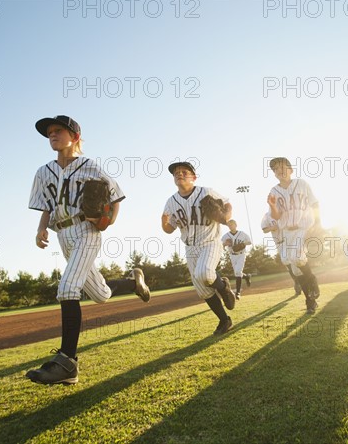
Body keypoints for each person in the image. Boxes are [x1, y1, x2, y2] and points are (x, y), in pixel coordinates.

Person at [25, 115, 150, 385]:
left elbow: (115, 196)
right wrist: (41, 228)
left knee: (68, 288)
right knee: (101, 294)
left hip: (87, 231)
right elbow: (46, 204)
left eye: (58, 131)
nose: (52, 135)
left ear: (75, 137)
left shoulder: (90, 166)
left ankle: (67, 362)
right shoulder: (42, 172)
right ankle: (133, 281)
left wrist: (109, 220)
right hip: (63, 234)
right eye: (49, 133)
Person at [161, 161, 237, 335]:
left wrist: (226, 216)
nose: (179, 174)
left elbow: (228, 204)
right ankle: (224, 321)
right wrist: (164, 222)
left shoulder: (206, 192)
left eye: (184, 172)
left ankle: (223, 287)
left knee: (204, 273)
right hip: (190, 248)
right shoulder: (171, 202)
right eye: (176, 173)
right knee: (202, 290)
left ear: (193, 177)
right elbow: (168, 229)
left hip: (210, 242)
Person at [266, 157, 321, 314]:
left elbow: (314, 203)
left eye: (282, 167)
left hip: (304, 226)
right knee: (296, 270)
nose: (279, 171)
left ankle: (312, 279)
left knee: (297, 258)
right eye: (275, 169)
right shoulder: (273, 191)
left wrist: (318, 223)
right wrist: (271, 206)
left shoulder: (302, 183)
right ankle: (310, 301)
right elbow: (276, 217)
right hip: (288, 231)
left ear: (291, 169)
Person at [261, 212, 302, 296]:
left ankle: (301, 281)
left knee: (295, 261)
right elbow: (264, 230)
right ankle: (297, 281)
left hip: (289, 239)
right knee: (286, 261)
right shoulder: (267, 215)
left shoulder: (285, 210)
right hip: (279, 242)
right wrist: (272, 227)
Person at [221, 219, 252, 299]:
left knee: (238, 272)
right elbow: (220, 245)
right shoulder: (226, 236)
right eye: (229, 225)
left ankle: (238, 293)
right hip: (232, 255)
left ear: (236, 225)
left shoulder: (242, 234)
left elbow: (249, 242)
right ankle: (247, 276)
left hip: (241, 255)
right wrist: (225, 244)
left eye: (232, 224)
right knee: (238, 273)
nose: (230, 226)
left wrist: (243, 244)